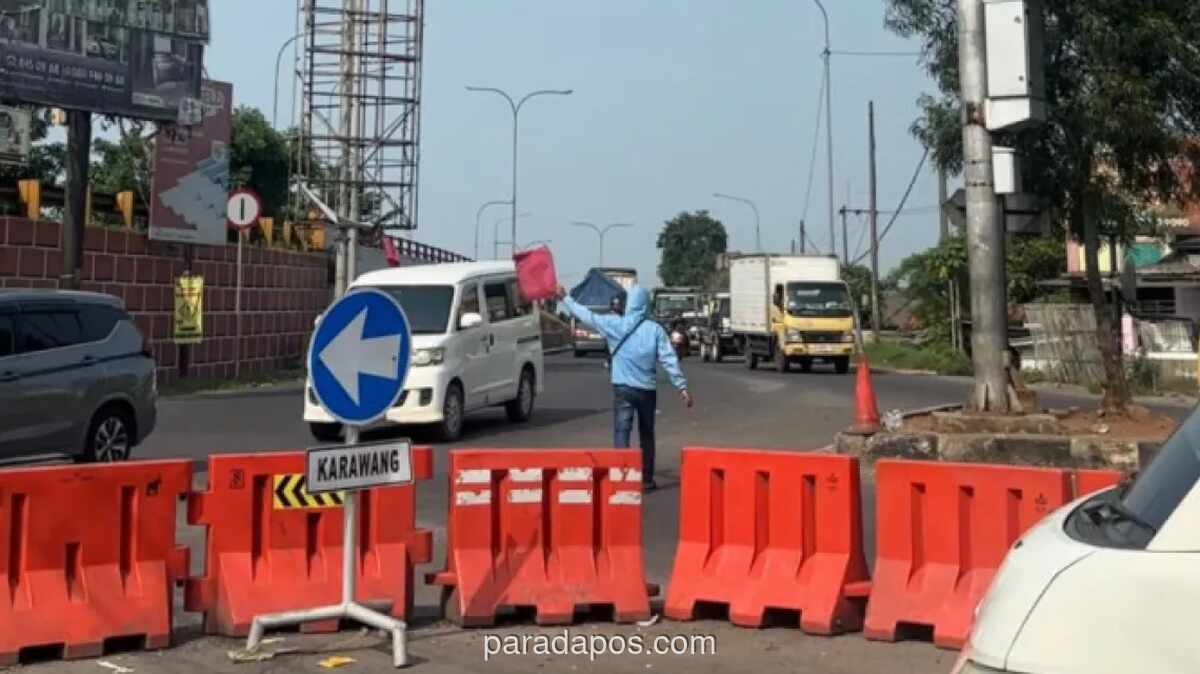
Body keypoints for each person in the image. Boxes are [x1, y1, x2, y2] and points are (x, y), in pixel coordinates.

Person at [557, 284, 693, 491]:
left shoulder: (614, 324)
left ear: (629, 304)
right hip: (647, 390)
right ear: (646, 305)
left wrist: (565, 298)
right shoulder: (655, 330)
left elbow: (587, 316)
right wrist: (682, 387)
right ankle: (646, 479)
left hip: (623, 389)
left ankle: (621, 477)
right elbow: (669, 359)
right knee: (647, 434)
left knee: (622, 431)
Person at [603, 293, 624, 371]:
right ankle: (608, 361)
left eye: (617, 304)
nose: (616, 306)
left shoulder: (622, 315)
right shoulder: (609, 315)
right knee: (608, 349)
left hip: (619, 336)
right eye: (614, 304)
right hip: (610, 335)